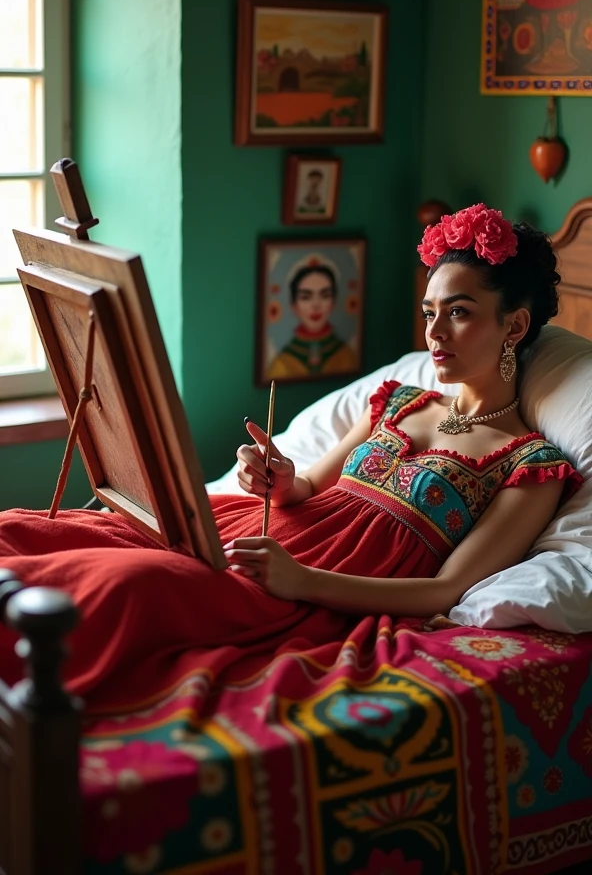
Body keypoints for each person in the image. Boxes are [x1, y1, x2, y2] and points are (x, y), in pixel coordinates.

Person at [0, 205, 581, 714]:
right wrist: (276, 478)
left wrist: (302, 580)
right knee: (30, 532)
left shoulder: (530, 466)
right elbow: (306, 488)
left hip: (305, 583)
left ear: (516, 324)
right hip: (254, 533)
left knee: (123, 586)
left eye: (459, 312)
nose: (435, 333)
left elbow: (446, 589)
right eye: (429, 312)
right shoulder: (400, 402)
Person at [266, 262, 358, 379]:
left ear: (333, 302)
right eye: (306, 297)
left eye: (325, 295)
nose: (316, 305)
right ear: (293, 305)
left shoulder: (346, 355)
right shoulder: (282, 361)